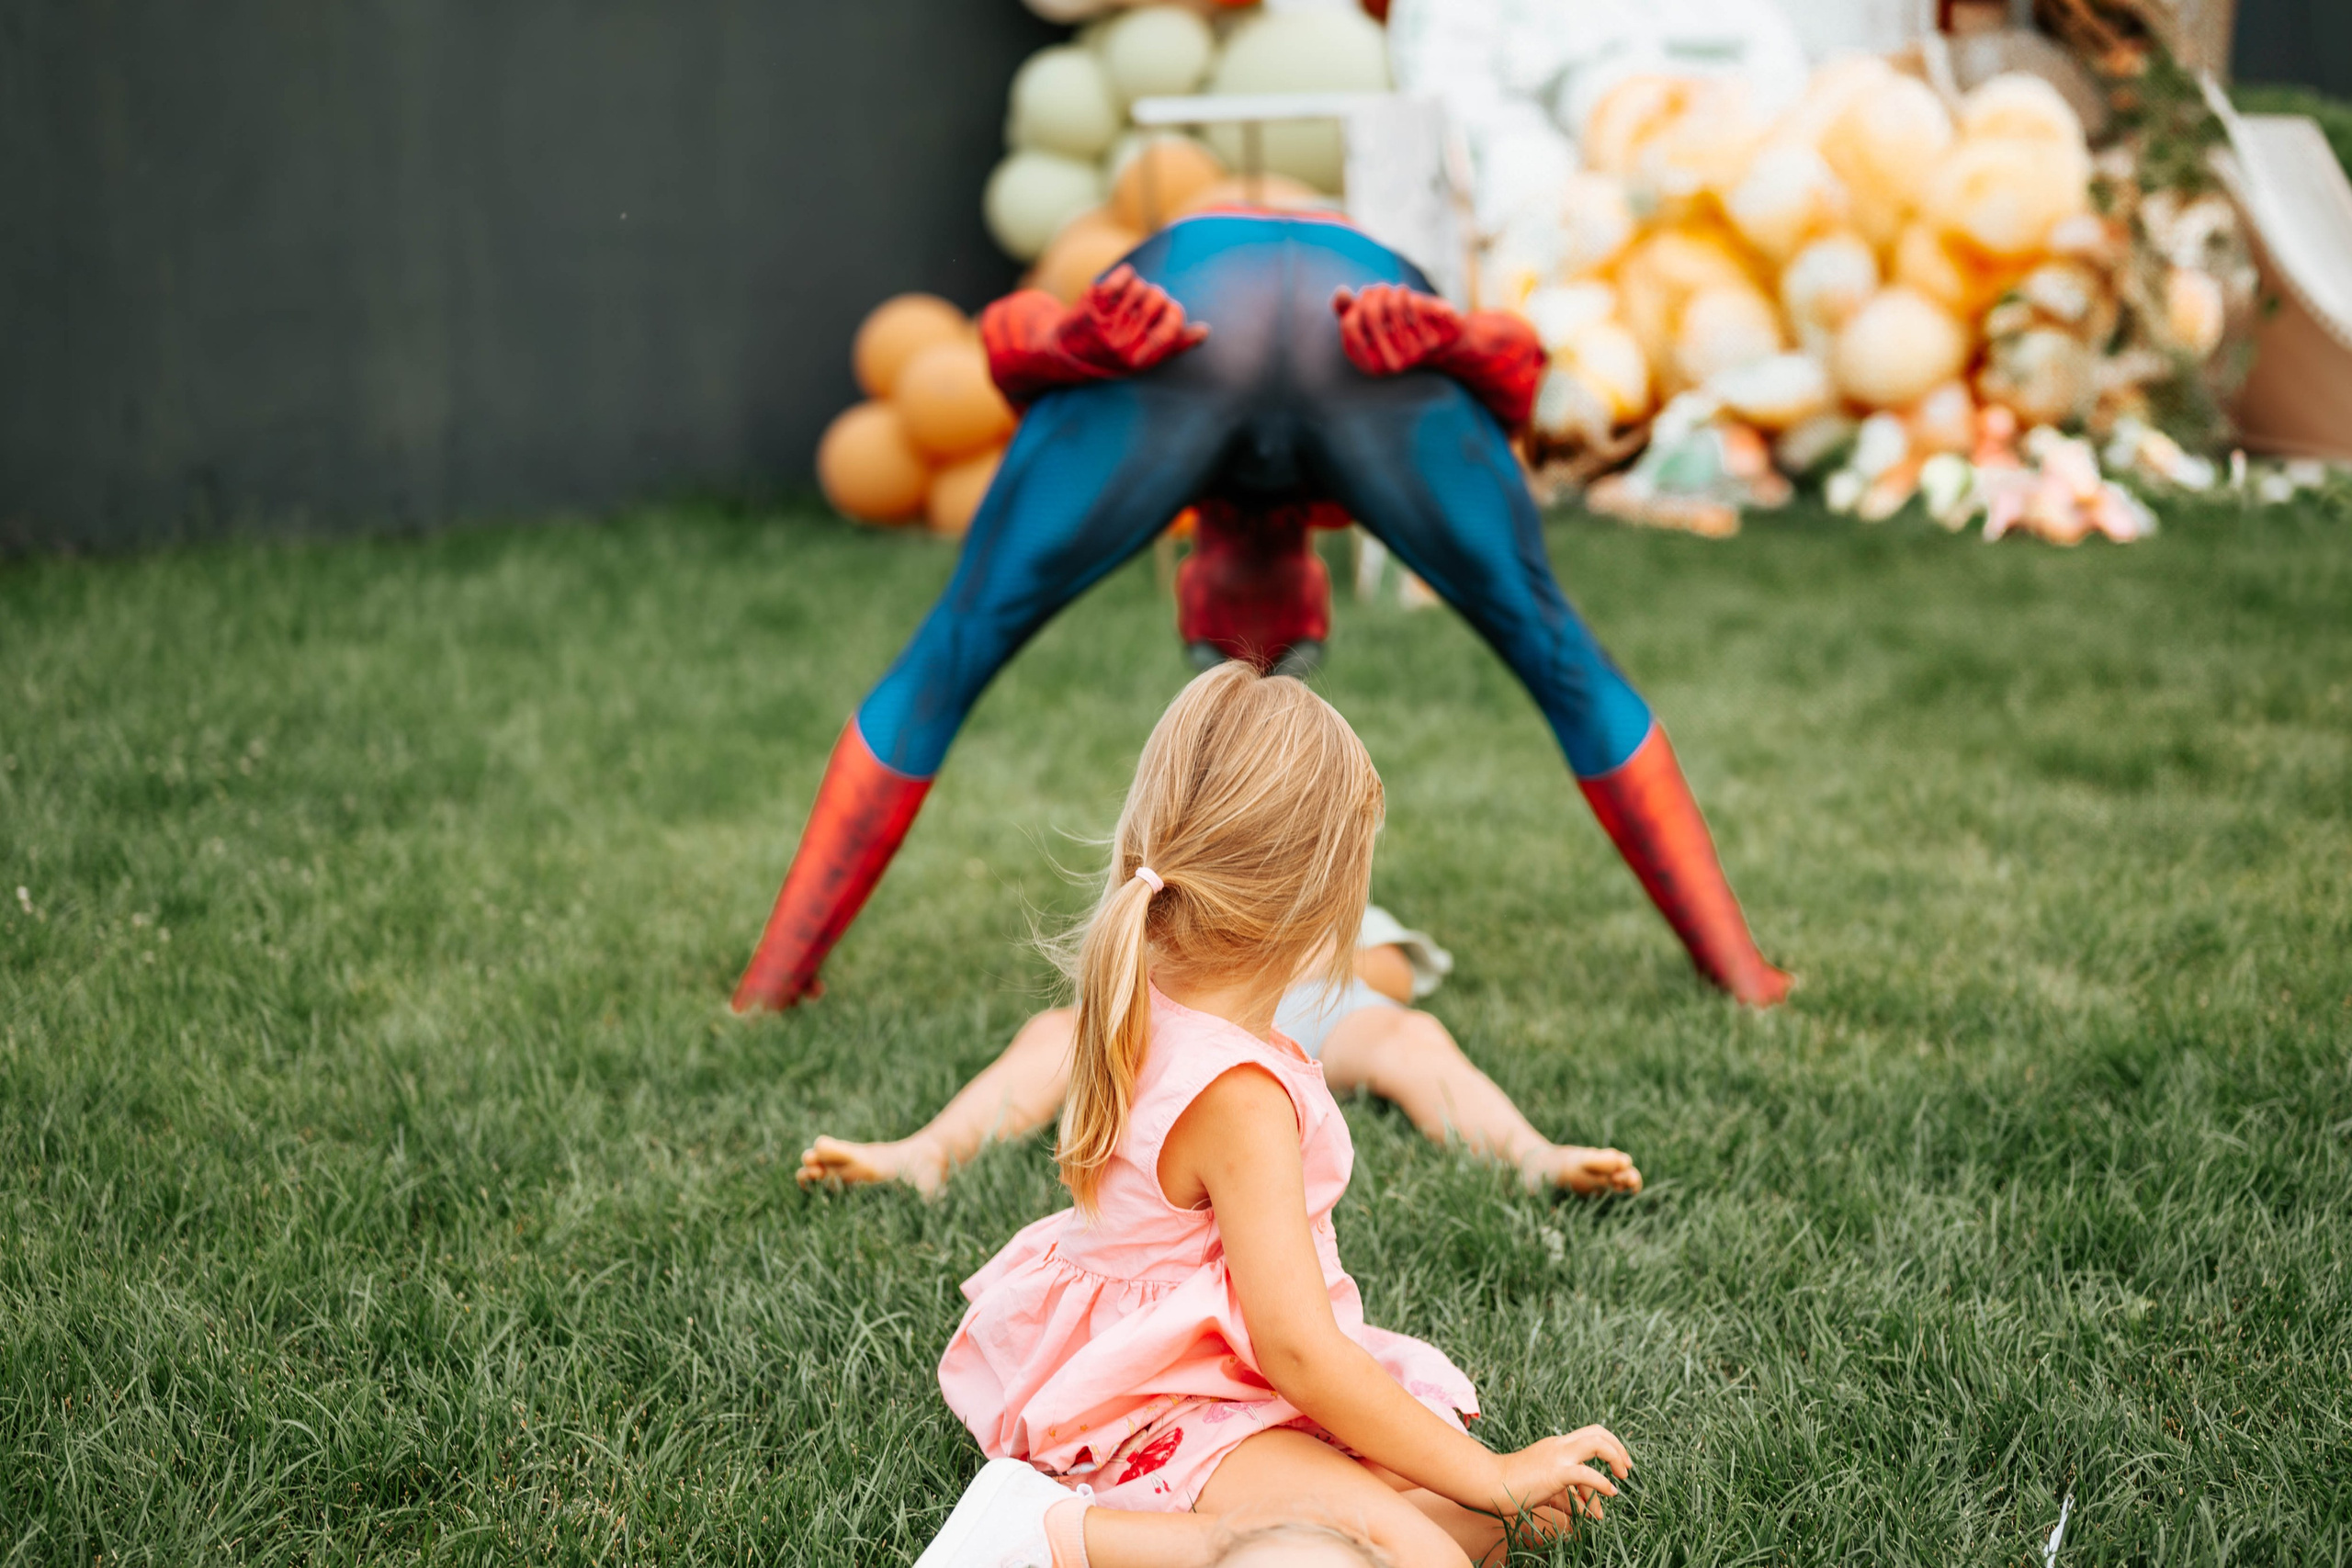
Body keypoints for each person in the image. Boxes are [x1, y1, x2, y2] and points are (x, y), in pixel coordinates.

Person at [730, 209, 1790, 1015]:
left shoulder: (1219, 468)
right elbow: (1519, 374)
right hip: (1346, 322)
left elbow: (1006, 344)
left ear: (1186, 565)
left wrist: (1065, 349)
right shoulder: (1360, 479)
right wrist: (1459, 344)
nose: (1254, 643)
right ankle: (1741, 975)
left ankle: (770, 986)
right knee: (1557, 654)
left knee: (951, 654)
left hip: (1194, 316)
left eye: (1219, 647)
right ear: (1320, 593)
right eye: (1278, 649)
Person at [915, 662, 1633, 1568]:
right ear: (1324, 901)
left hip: (1167, 1365)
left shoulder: (1138, 995)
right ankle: (1066, 1539)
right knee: (1439, 1556)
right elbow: (1296, 1349)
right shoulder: (1238, 1095)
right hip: (1172, 1405)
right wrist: (1490, 1476)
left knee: (1491, 1524)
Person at [799, 906, 1642, 1198]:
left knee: (1412, 1038)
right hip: (1190, 1020)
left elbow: (1394, 972)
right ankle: (930, 1151)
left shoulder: (1337, 905)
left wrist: (1297, 951)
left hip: (1319, 1019)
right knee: (1060, 1035)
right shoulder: (1191, 897)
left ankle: (1529, 1153)